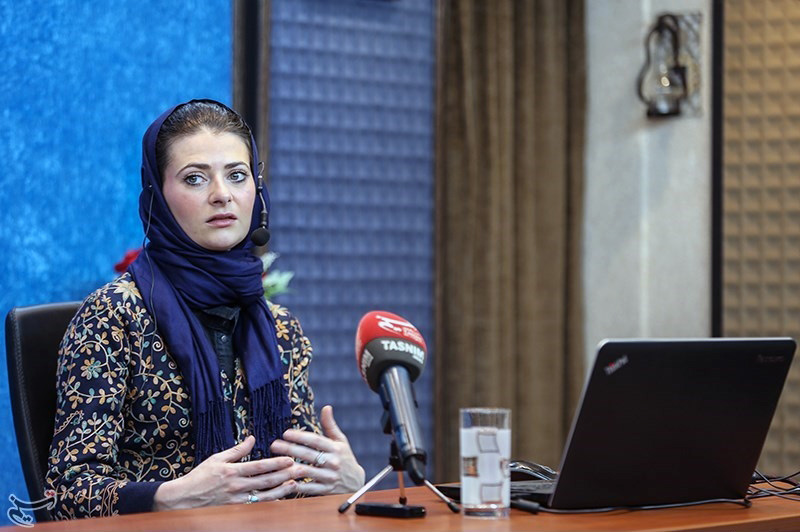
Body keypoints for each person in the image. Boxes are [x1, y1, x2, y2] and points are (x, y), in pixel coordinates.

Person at [45, 99, 365, 519]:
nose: (222, 195)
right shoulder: (114, 317)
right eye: (195, 178)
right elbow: (65, 494)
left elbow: (297, 478)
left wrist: (344, 481)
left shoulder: (281, 328)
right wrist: (169, 497)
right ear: (157, 196)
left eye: (237, 175)